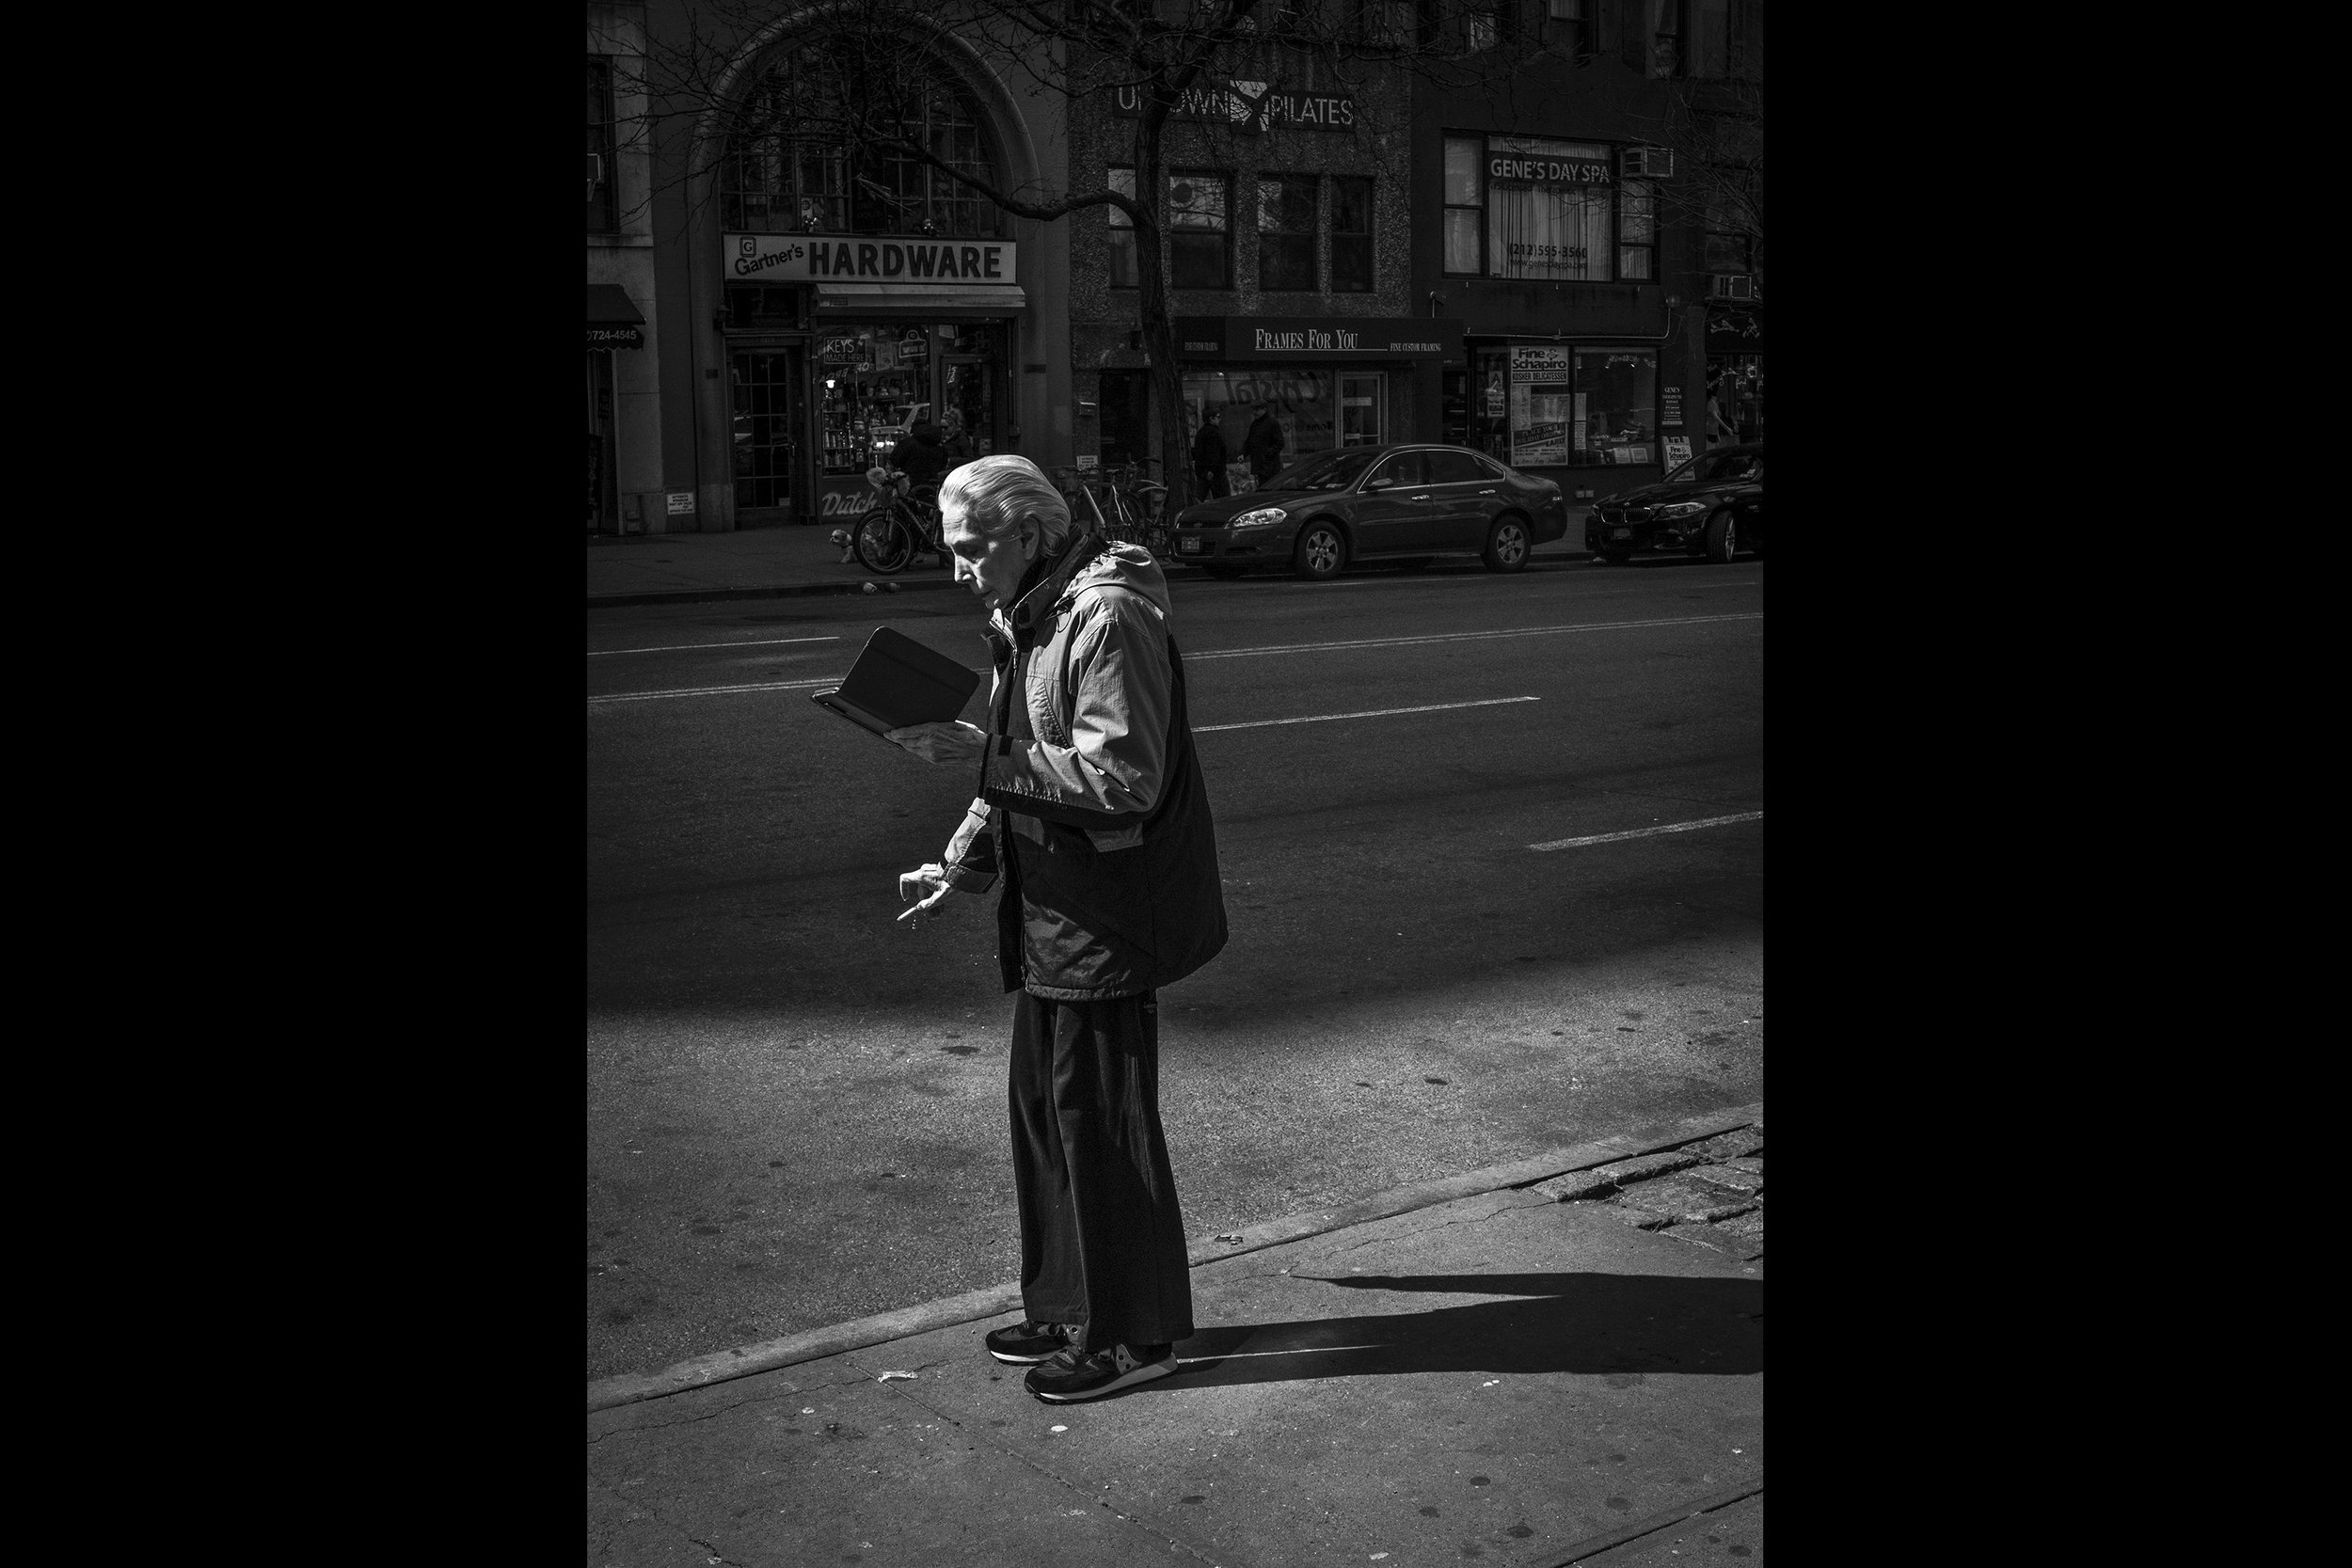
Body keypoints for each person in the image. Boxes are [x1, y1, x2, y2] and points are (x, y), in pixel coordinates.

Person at [888, 453, 1228, 1404]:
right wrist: (958, 862)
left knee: (1101, 1125)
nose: (957, 569)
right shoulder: (1030, 611)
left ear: (1030, 534)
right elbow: (1018, 765)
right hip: (1053, 908)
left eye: (970, 549)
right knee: (1047, 1116)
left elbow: (1122, 780)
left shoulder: (1104, 615)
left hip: (1105, 916)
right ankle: (1068, 1299)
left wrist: (989, 758)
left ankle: (1132, 1333)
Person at [894, 420, 953, 563]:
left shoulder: (908, 443)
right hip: (931, 486)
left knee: (905, 516)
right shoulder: (937, 443)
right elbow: (944, 461)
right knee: (929, 515)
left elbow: (895, 459)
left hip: (911, 485)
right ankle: (930, 544)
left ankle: (902, 553)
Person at [1242, 407, 1286, 488]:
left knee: (1270, 487)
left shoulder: (1272, 423)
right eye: (1253, 410)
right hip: (1260, 465)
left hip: (1270, 466)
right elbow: (1249, 441)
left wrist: (1268, 453)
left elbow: (1280, 442)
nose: (1254, 412)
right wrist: (1243, 454)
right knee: (1263, 486)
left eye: (1256, 410)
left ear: (1264, 410)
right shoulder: (1255, 424)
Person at [1190, 413, 1229, 502]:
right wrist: (1211, 469)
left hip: (1202, 471)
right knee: (1223, 499)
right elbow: (1214, 453)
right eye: (1218, 417)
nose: (1219, 420)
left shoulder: (1201, 432)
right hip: (1215, 472)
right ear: (1211, 419)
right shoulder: (1213, 433)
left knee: (1199, 498)